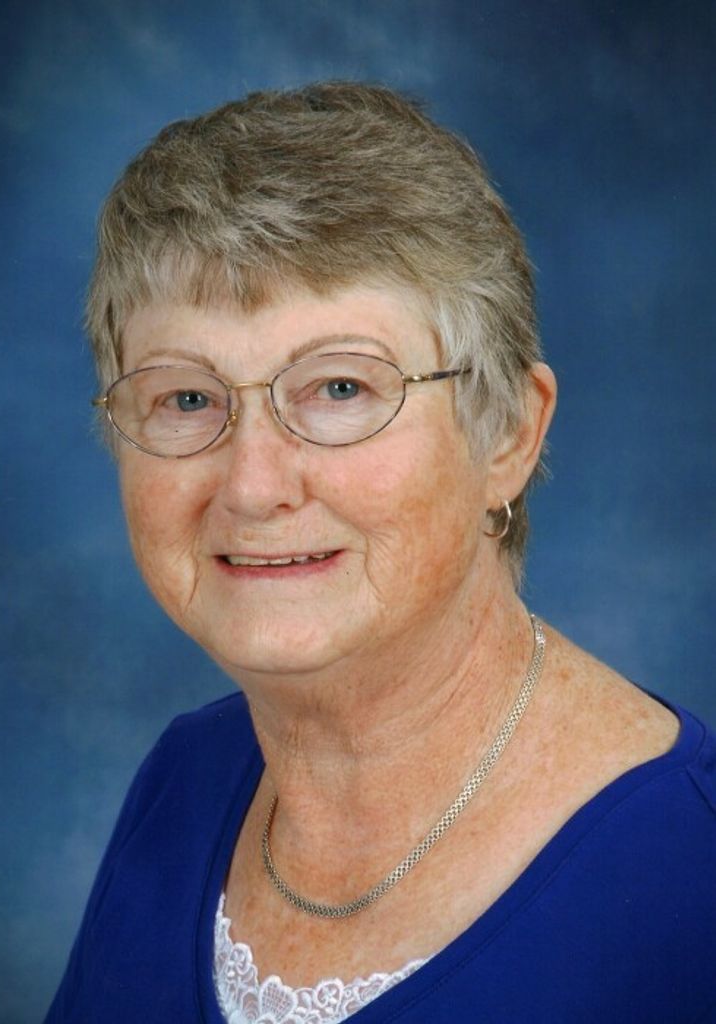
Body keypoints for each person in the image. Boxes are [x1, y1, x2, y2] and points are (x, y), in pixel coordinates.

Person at [44, 82, 715, 1024]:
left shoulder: (689, 876)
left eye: (341, 389)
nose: (253, 485)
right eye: (187, 399)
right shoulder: (181, 782)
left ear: (509, 434)